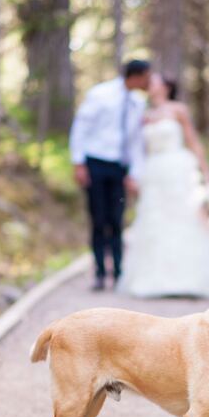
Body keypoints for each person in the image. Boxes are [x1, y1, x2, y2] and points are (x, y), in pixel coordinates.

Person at [120, 73, 209, 298]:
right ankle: (156, 279)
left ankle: (191, 277)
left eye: (155, 82)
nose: (150, 85)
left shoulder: (178, 110)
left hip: (178, 170)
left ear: (166, 87)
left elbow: (193, 142)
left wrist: (206, 174)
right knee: (155, 221)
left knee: (186, 218)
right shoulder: (144, 115)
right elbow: (137, 150)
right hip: (154, 173)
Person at [69, 59, 151, 290]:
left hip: (119, 168)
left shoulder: (137, 102)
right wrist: (79, 163)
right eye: (147, 76)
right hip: (95, 163)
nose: (149, 82)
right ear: (136, 75)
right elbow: (81, 127)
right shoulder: (101, 94)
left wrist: (134, 172)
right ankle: (99, 272)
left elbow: (136, 142)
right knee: (98, 220)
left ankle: (118, 271)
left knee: (116, 220)